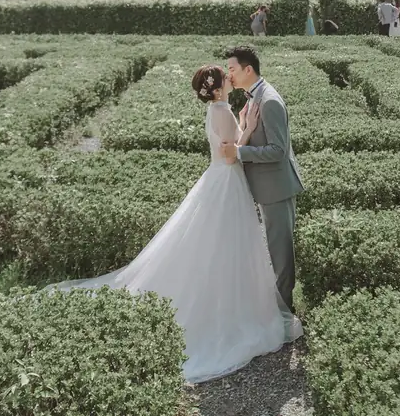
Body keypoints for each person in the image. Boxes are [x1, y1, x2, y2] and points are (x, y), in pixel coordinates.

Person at [49, 61, 302, 383]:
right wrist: (249, 128)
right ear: (217, 88)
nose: (230, 77)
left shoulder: (218, 109)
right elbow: (230, 154)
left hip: (220, 180)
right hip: (228, 182)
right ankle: (231, 306)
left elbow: (229, 145)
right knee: (229, 244)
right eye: (225, 76)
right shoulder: (222, 111)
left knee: (220, 244)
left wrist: (243, 125)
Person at [219, 45, 304, 313]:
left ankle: (284, 313)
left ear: (248, 70)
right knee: (274, 251)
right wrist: (244, 125)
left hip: (276, 189)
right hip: (266, 187)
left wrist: (239, 152)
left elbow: (278, 151)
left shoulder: (269, 101)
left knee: (280, 255)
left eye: (232, 69)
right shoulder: (254, 97)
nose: (228, 75)